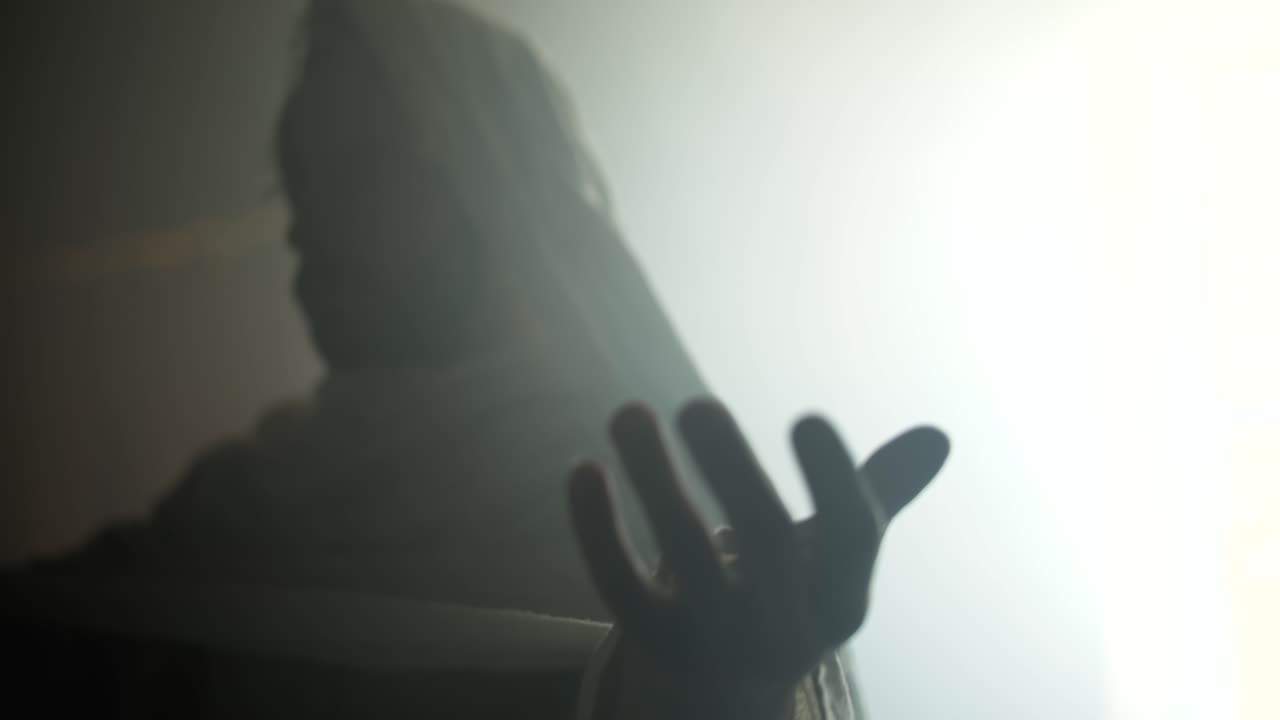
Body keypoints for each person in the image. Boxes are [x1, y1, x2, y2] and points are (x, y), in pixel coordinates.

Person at [2, 1, 949, 717]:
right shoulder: (242, 499)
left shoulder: (632, 514)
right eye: (298, 182)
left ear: (491, 189)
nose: (307, 227)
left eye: (365, 172)